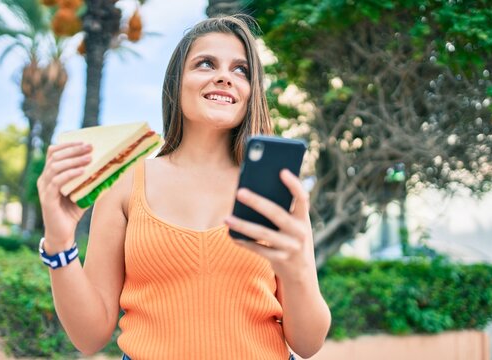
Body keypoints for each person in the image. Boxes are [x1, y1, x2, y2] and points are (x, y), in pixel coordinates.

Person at [37, 14, 331, 360]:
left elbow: (308, 343)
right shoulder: (125, 185)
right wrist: (59, 243)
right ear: (176, 83)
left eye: (241, 70)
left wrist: (296, 269)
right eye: (206, 64)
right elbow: (89, 337)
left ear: (251, 92)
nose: (224, 76)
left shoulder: (277, 189)